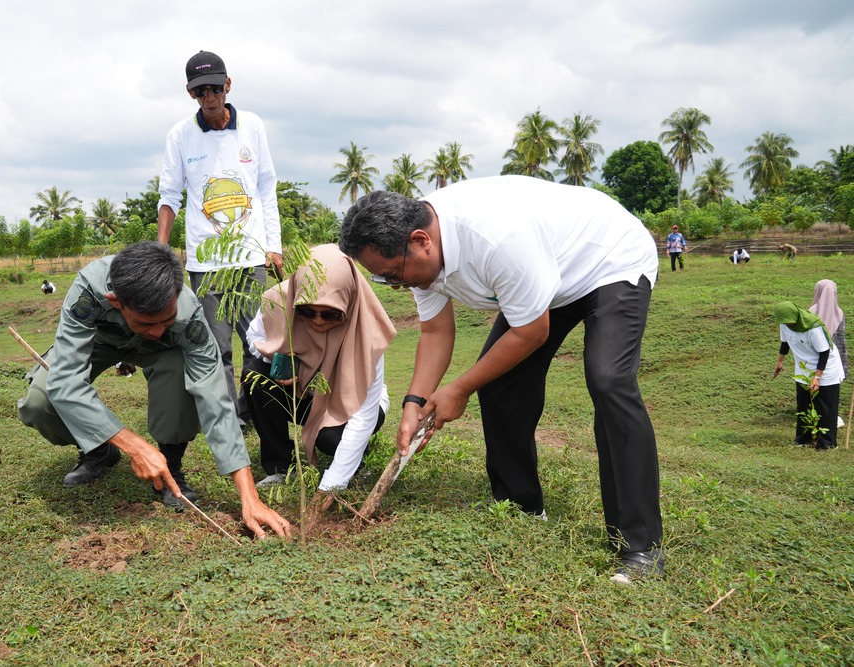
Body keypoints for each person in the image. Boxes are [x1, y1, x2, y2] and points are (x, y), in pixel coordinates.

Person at [339, 175, 664, 583]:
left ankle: (640, 546)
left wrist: (458, 388)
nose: (395, 284)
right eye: (385, 279)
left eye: (394, 274)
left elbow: (532, 332)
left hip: (608, 260)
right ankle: (522, 507)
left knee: (608, 379)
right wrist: (414, 403)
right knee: (501, 384)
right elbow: (436, 332)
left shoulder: (496, 238)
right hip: (545, 277)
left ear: (421, 240)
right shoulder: (417, 252)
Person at [17, 241, 291, 539]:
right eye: (147, 322)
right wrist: (133, 445)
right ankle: (98, 449)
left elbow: (216, 399)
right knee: (38, 404)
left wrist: (249, 496)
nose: (158, 330)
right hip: (97, 344)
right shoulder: (89, 290)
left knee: (178, 366)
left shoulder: (188, 314)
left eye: (167, 320)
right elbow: (66, 380)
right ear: (115, 301)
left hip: (160, 353)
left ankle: (170, 465)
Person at [157, 50, 283, 431]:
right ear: (190, 93)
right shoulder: (180, 135)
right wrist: (162, 250)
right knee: (218, 347)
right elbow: (169, 195)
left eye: (214, 88)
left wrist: (273, 245)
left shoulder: (253, 126)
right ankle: (230, 420)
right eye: (200, 92)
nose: (209, 98)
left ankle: (255, 408)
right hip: (206, 263)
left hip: (250, 257)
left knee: (258, 341)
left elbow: (266, 187)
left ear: (228, 85)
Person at [243, 244, 396, 518]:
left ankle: (356, 458)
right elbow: (254, 338)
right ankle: (279, 466)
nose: (318, 321)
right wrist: (283, 357)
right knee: (254, 373)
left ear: (348, 304)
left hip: (353, 402)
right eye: (306, 312)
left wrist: (331, 486)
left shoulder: (366, 331)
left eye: (331, 314)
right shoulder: (279, 300)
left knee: (330, 440)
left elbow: (363, 415)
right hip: (303, 394)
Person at [772, 301, 845, 450]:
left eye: (790, 322)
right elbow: (784, 342)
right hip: (803, 368)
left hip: (825, 368)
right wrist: (780, 362)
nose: (788, 325)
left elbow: (824, 352)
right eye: (784, 322)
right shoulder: (784, 324)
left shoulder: (813, 327)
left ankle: (827, 443)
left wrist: (817, 377)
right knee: (804, 404)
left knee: (825, 407)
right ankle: (803, 438)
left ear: (796, 316)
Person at [810, 279, 847, 377]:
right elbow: (840, 339)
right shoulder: (839, 313)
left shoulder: (811, 312)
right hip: (834, 358)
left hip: (814, 356)